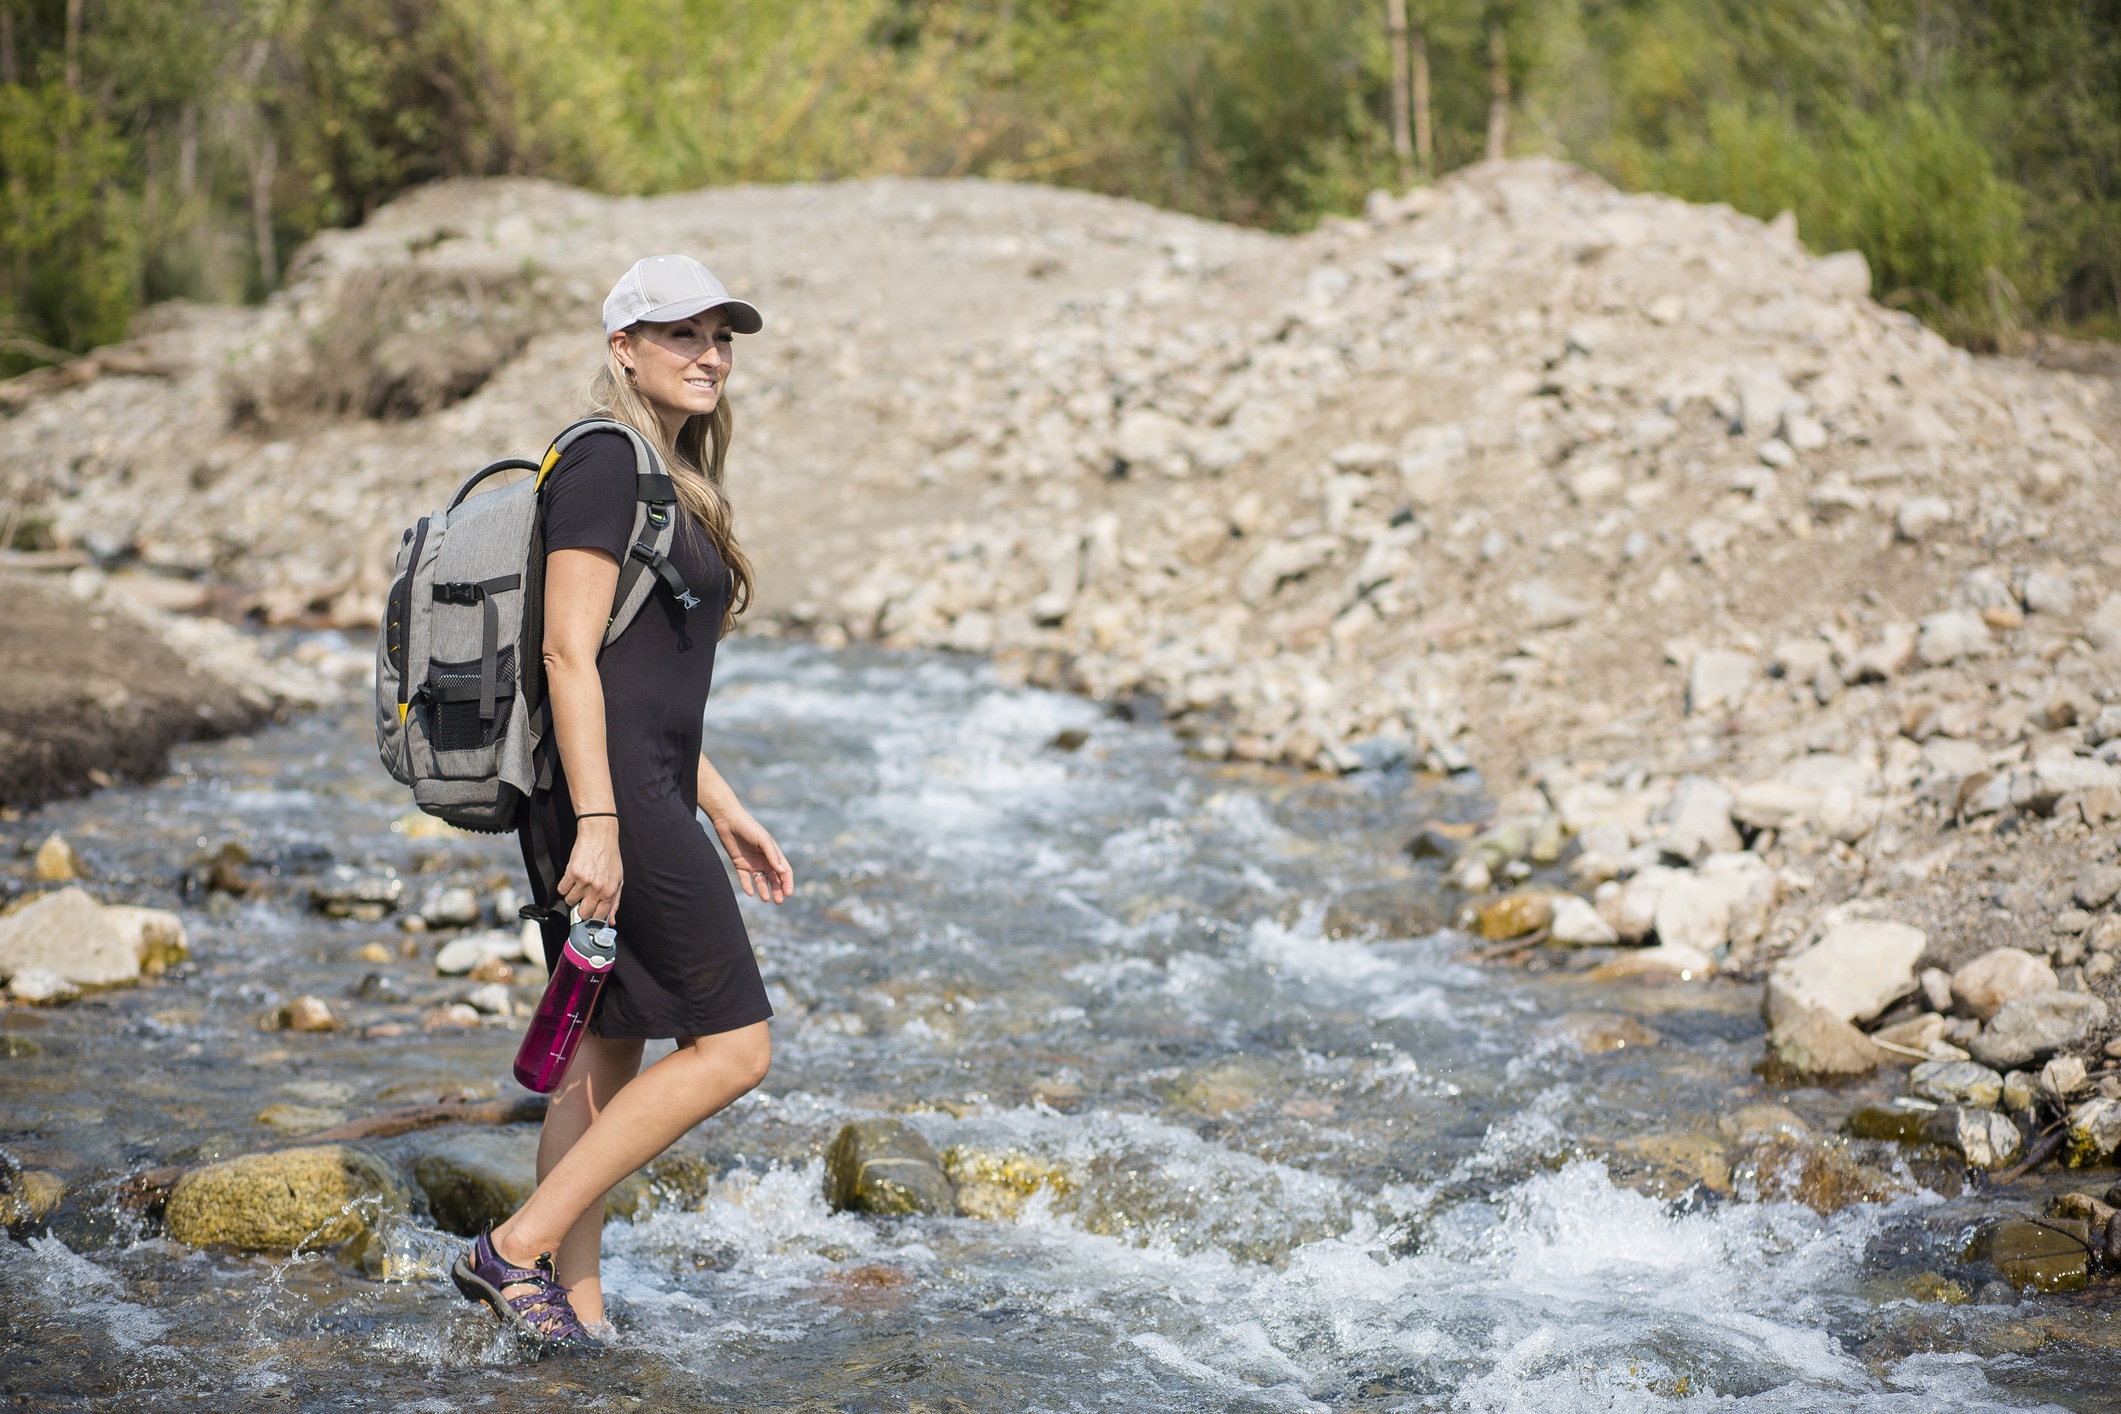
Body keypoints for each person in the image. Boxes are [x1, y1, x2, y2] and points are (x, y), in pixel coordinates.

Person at [451, 255, 794, 1350]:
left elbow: (642, 681)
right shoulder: (604, 461)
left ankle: (574, 1311)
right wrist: (602, 823)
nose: (708, 355)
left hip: (637, 789)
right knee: (736, 1046)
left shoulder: (665, 474)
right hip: (612, 804)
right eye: (680, 334)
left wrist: (725, 803)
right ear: (623, 348)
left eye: (720, 336)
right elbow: (565, 651)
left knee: (606, 1054)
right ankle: (512, 1250)